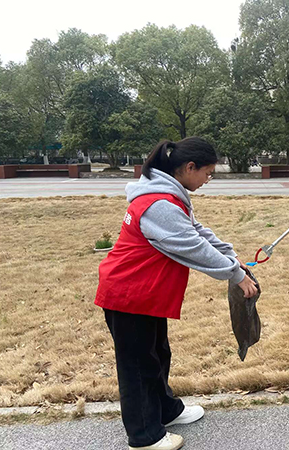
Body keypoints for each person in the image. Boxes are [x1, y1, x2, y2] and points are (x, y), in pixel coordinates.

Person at [95, 137, 258, 450]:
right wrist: (237, 275)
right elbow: (194, 249)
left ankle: (166, 411)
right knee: (139, 366)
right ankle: (144, 436)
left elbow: (197, 231)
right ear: (189, 167)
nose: (207, 181)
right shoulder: (158, 204)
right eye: (208, 174)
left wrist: (229, 253)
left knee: (157, 354)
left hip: (146, 294)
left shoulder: (168, 195)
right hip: (127, 295)